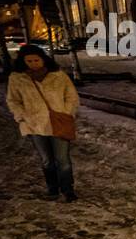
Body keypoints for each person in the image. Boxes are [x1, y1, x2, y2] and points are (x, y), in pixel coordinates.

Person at [5, 44, 80, 201]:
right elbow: (13, 100)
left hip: (59, 122)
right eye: (29, 61)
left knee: (63, 160)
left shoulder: (58, 75)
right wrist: (22, 116)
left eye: (36, 60)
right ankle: (52, 189)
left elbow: (71, 96)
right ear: (23, 61)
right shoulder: (17, 78)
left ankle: (68, 190)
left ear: (43, 59)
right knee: (47, 160)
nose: (33, 63)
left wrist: (66, 112)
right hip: (34, 124)